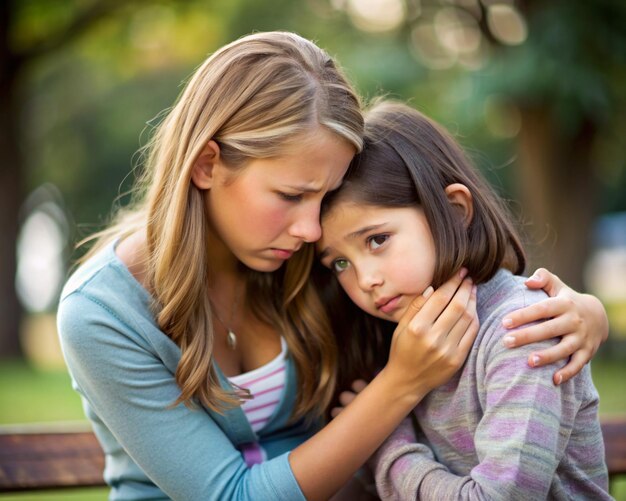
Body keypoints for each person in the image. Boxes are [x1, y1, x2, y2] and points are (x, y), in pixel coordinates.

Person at [56, 32, 607, 501]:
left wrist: (584, 312)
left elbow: (428, 256)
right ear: (206, 164)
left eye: (323, 198)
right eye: (292, 194)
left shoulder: (306, 258)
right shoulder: (102, 314)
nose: (313, 230)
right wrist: (398, 388)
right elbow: (227, 494)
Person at [316, 100, 610, 500]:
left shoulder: (523, 333)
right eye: (339, 263)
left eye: (377, 240)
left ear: (455, 211)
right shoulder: (401, 339)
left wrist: (386, 441)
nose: (365, 279)